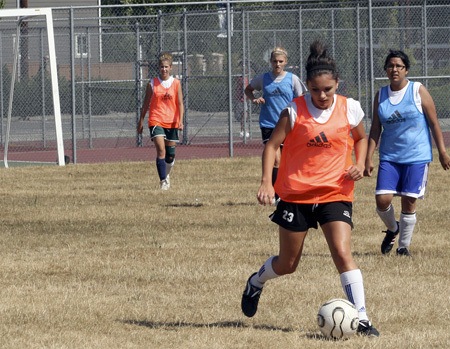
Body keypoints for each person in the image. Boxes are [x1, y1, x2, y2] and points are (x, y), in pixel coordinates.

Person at [241, 40, 379, 337]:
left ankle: (364, 319)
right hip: (296, 194)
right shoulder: (294, 112)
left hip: (335, 192)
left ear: (337, 84)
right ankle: (256, 282)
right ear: (307, 86)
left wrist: (361, 161)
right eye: (315, 90)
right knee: (288, 264)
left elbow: (361, 138)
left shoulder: (350, 107)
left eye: (328, 89)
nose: (322, 95)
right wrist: (267, 181)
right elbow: (272, 146)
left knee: (342, 253)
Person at [364, 49, 450, 256]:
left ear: (406, 70)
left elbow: (434, 123)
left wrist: (442, 152)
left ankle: (403, 247)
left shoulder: (417, 90)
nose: (394, 69)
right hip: (390, 157)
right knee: (382, 199)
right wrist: (368, 157)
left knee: (408, 201)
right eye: (390, 66)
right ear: (385, 70)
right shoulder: (381, 95)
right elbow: (375, 128)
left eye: (399, 66)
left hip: (417, 156)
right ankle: (393, 229)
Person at [244, 47, 307, 197]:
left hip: (287, 124)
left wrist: (298, 114)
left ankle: (287, 190)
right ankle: (276, 194)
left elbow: (302, 98)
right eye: (274, 61)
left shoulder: (292, 79)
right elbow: (248, 89)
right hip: (268, 123)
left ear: (285, 62)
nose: (277, 64)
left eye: (280, 61)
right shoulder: (263, 78)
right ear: (270, 62)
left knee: (286, 161)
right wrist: (254, 99)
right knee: (276, 159)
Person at [138, 52, 184, 190]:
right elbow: (145, 104)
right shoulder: (152, 84)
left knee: (170, 156)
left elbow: (180, 103)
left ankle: (166, 173)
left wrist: (180, 121)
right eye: (161, 67)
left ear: (170, 68)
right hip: (156, 120)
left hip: (172, 121)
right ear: (158, 68)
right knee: (161, 150)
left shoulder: (176, 83)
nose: (163, 69)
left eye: (166, 67)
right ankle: (163, 181)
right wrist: (140, 121)